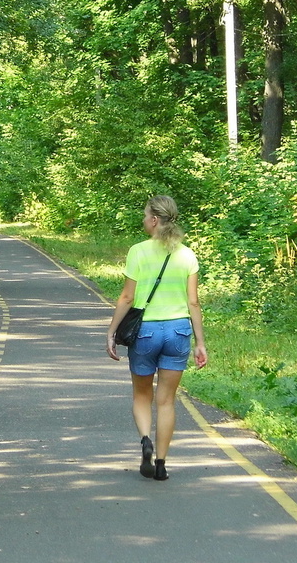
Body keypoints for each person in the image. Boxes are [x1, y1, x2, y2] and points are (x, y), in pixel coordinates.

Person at [105, 195, 206, 481]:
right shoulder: (187, 254)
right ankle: (161, 463)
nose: (143, 220)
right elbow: (194, 303)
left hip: (146, 331)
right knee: (166, 401)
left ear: (154, 219)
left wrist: (112, 331)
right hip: (178, 331)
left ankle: (145, 441)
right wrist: (200, 343)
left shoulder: (138, 251)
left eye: (144, 215)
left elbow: (127, 296)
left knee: (142, 394)